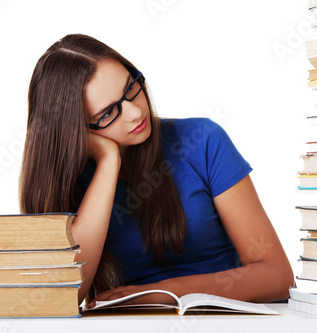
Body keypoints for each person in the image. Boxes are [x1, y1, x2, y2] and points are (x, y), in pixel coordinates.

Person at [19, 33, 294, 307]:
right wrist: (107, 160)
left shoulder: (202, 140)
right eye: (107, 113)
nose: (135, 113)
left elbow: (278, 277)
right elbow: (64, 295)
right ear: (76, 130)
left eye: (130, 89)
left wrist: (166, 292)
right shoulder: (68, 182)